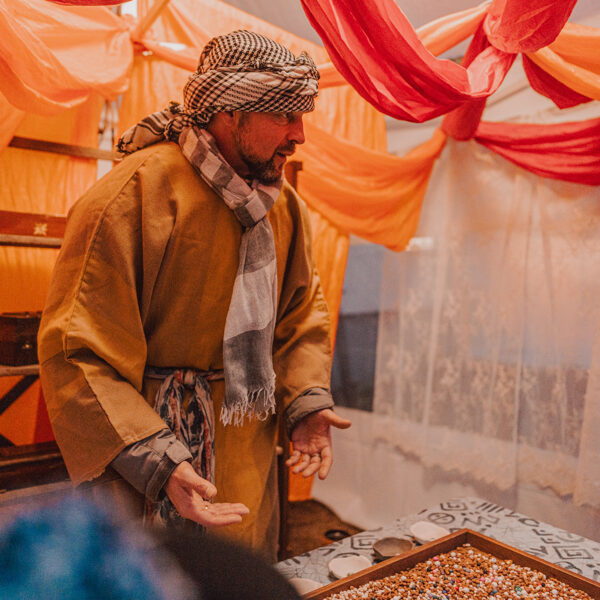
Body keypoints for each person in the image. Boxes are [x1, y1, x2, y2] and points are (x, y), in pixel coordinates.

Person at [37, 29, 351, 560]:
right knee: (154, 576)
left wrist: (305, 403)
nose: (299, 134)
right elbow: (77, 352)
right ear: (229, 111)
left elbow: (300, 317)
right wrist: (159, 460)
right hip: (148, 460)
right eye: (284, 114)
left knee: (240, 575)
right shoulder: (130, 195)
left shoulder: (283, 207)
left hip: (249, 453)